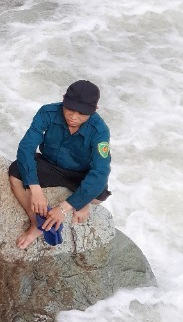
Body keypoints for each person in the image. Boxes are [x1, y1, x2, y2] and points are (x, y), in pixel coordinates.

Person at [9, 80, 112, 250]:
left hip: (81, 174)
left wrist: (64, 208)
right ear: (63, 101)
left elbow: (100, 172)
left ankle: (82, 200)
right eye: (70, 109)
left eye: (82, 113)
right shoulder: (47, 112)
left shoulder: (100, 130)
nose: (74, 117)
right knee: (15, 172)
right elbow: (26, 148)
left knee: (97, 195)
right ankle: (37, 223)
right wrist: (35, 189)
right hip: (51, 165)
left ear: (94, 111)